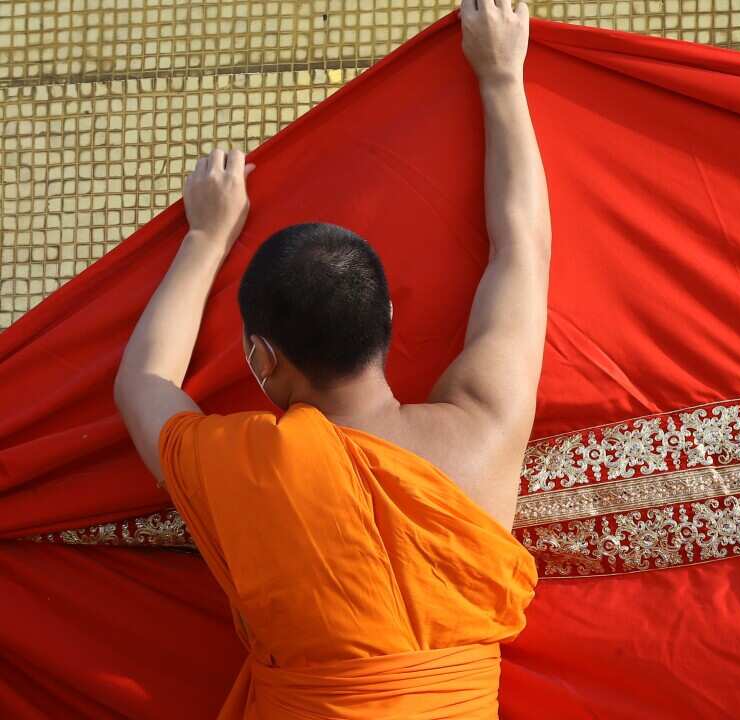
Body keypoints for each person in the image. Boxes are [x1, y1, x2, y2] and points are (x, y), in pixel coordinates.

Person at [112, 0, 547, 716]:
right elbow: (521, 249)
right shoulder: (483, 427)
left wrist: (206, 237)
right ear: (388, 318)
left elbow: (144, 382)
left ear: (260, 357)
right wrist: (502, 77)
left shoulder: (242, 465)